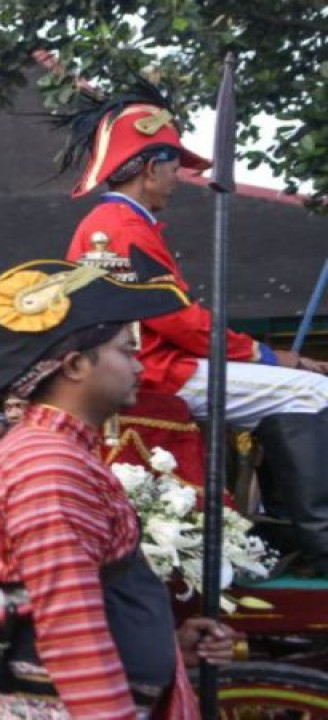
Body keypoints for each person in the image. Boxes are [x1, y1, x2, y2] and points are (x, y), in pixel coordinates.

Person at [0, 259, 238, 719]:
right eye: (126, 351)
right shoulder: (48, 467)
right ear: (76, 365)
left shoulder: (57, 453)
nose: (139, 366)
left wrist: (166, 643)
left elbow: (79, 599)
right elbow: (69, 629)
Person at [57, 85, 328, 573]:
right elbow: (181, 323)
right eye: (173, 166)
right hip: (159, 370)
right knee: (310, 394)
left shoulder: (115, 222)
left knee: (299, 393)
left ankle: (289, 532)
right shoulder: (120, 226)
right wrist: (271, 356)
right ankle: (319, 541)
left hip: (151, 363)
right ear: (148, 166)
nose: (178, 178)